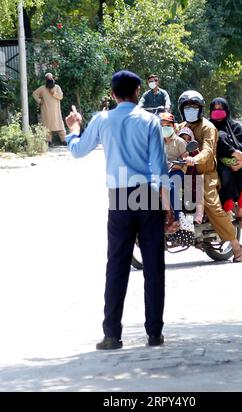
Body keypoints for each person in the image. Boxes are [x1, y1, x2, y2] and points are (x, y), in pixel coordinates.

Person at [65, 70, 176, 350]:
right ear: (138, 92)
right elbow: (159, 169)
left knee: (116, 264)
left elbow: (78, 150)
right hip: (147, 194)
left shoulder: (102, 120)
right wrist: (168, 207)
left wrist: (73, 130)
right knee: (154, 265)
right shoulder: (151, 121)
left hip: (120, 196)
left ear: (112, 94)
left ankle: (112, 334)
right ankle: (154, 333)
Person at [178, 90, 242, 262]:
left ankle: (236, 245)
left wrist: (195, 159)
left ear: (200, 109)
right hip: (184, 172)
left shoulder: (208, 127)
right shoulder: (179, 127)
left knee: (212, 205)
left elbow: (208, 150)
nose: (190, 110)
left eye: (194, 107)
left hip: (205, 173)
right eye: (187, 107)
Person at [209, 97, 242, 230]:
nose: (217, 112)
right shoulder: (209, 127)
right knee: (225, 175)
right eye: (215, 109)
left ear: (227, 110)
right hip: (218, 163)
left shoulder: (236, 127)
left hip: (239, 163)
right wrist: (229, 162)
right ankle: (228, 211)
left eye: (221, 109)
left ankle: (240, 212)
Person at [160, 112, 187, 228]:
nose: (165, 128)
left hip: (176, 170)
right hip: (161, 171)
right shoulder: (156, 142)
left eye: (168, 125)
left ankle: (175, 218)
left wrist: (182, 162)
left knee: (170, 186)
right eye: (162, 125)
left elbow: (186, 158)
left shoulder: (179, 141)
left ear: (173, 126)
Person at [178, 127, 204, 224]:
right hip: (180, 175)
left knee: (198, 184)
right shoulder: (178, 147)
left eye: (187, 138)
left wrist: (191, 159)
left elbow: (198, 157)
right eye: (182, 138)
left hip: (192, 177)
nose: (185, 140)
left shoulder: (194, 149)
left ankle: (199, 213)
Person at [32, 73, 66, 147]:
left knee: (60, 126)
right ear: (46, 80)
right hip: (46, 111)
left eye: (51, 78)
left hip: (56, 111)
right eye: (48, 78)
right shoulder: (42, 88)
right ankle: (49, 142)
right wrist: (39, 101)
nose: (50, 79)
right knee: (47, 127)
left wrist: (54, 93)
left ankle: (64, 141)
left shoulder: (57, 87)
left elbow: (61, 97)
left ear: (53, 79)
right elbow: (34, 94)